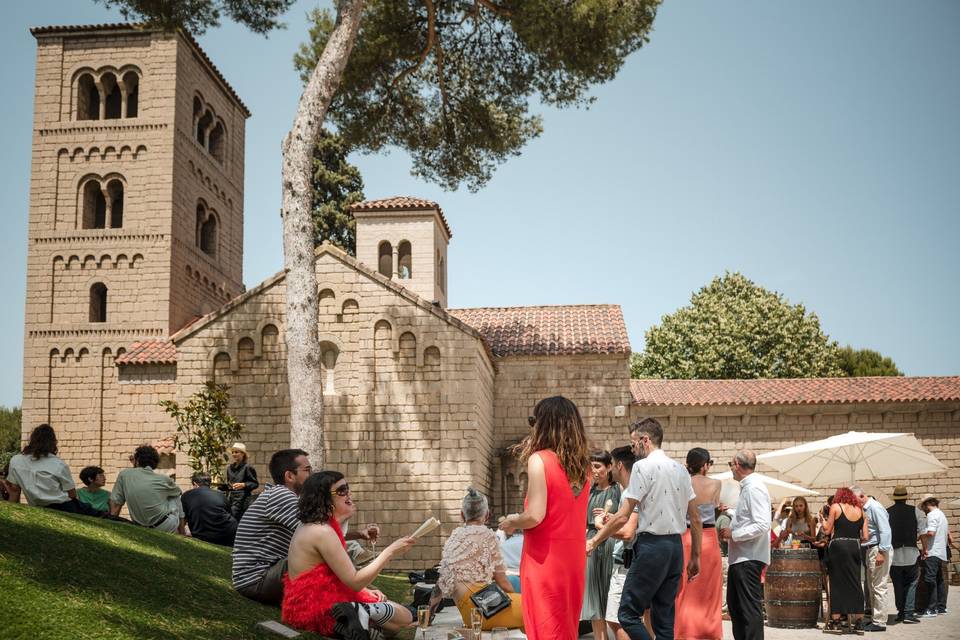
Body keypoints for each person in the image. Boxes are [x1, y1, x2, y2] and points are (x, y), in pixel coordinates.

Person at [588, 418, 702, 640]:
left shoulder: (642, 467)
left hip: (652, 547)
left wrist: (594, 541)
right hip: (675, 548)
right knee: (664, 621)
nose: (633, 449)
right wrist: (695, 556)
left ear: (645, 440)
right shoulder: (680, 470)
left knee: (627, 614)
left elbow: (623, 516)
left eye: (634, 443)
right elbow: (696, 519)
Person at [232, 448, 380, 605]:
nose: (312, 475)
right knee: (322, 556)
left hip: (264, 576)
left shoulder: (282, 495)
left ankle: (365, 597)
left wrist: (358, 534)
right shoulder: (281, 496)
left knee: (326, 554)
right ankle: (365, 598)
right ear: (289, 476)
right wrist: (342, 515)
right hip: (256, 580)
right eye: (307, 470)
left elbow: (320, 533)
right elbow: (318, 535)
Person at [498, 396, 591, 640]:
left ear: (544, 424)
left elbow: (535, 516)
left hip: (545, 559)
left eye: (533, 421)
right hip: (573, 560)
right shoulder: (584, 467)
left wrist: (511, 521)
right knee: (566, 628)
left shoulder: (540, 459)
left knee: (545, 626)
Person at [282, 471, 415, 638]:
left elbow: (334, 574)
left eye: (347, 489)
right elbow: (354, 581)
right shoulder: (323, 532)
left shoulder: (316, 526)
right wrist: (390, 552)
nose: (349, 494)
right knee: (404, 616)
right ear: (324, 498)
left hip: (307, 607)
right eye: (342, 490)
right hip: (319, 611)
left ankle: (362, 621)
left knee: (393, 628)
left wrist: (366, 591)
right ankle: (361, 612)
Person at [438, 487, 523, 630]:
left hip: (467, 612)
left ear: (461, 515)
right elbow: (503, 583)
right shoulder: (487, 535)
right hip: (484, 609)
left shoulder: (453, 538)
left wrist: (429, 613)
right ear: (487, 515)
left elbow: (439, 583)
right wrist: (515, 599)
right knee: (538, 609)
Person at [718, 450, 770, 640]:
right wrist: (732, 511)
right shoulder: (748, 487)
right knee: (737, 607)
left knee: (748, 609)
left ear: (738, 465)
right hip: (742, 557)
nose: (730, 468)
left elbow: (763, 524)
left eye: (731, 464)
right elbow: (749, 517)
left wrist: (734, 534)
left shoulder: (754, 487)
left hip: (749, 557)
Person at [674, 447, 722, 640]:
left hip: (685, 537)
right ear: (705, 465)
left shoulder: (682, 482)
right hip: (708, 537)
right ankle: (709, 631)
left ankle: (685, 632)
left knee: (684, 587)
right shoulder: (716, 483)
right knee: (709, 588)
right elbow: (716, 506)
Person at [5, 424, 104, 517]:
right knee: (96, 514)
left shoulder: (16, 461)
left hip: (38, 505)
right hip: (64, 506)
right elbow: (72, 494)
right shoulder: (58, 464)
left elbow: (14, 491)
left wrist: (12, 512)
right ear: (53, 442)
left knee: (92, 511)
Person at [581, 449, 621, 639]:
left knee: (611, 602)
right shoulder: (587, 491)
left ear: (609, 467)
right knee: (595, 604)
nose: (594, 471)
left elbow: (626, 518)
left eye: (597, 466)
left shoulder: (618, 489)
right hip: (590, 544)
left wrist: (611, 518)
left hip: (611, 543)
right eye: (591, 467)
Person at [602, 445, 639, 640]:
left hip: (626, 563)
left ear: (619, 465)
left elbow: (627, 533)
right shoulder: (630, 490)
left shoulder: (630, 492)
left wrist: (603, 529)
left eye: (611, 465)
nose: (610, 470)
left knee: (617, 619)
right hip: (631, 561)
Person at [821, 487, 868, 632]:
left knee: (837, 582)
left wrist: (822, 521)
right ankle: (859, 622)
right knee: (855, 582)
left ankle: (836, 623)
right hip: (855, 546)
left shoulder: (836, 506)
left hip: (838, 546)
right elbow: (865, 536)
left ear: (839, 496)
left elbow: (827, 530)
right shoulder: (861, 511)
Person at [110, 445, 185, 532]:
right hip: (165, 526)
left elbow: (116, 502)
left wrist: (113, 521)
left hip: (140, 526)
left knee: (173, 494)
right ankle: (182, 532)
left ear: (137, 461)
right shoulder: (164, 479)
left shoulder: (124, 475)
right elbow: (179, 492)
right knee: (174, 495)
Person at [851, 485, 892, 632]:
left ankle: (880, 622)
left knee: (879, 586)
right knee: (872, 586)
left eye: (854, 500)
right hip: (870, 549)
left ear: (861, 496)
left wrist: (882, 551)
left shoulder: (875, 507)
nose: (853, 504)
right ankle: (875, 618)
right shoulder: (865, 509)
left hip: (878, 548)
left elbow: (885, 530)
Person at [887, 485, 921, 624]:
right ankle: (908, 613)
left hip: (894, 554)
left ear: (894, 498)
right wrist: (924, 548)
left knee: (898, 584)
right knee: (912, 583)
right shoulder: (916, 511)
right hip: (911, 552)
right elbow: (923, 531)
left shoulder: (887, 512)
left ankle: (901, 612)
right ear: (906, 497)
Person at [182, 471, 238, 547]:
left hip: (204, 536)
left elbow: (182, 520)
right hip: (229, 533)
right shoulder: (221, 495)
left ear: (195, 484)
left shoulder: (186, 496)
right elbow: (230, 514)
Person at [919, 494, 948, 617]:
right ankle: (941, 607)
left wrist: (920, 534)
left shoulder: (931, 515)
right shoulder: (942, 514)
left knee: (930, 579)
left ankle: (931, 608)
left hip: (932, 551)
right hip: (941, 551)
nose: (923, 510)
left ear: (927, 504)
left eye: (923, 507)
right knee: (939, 580)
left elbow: (931, 533)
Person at [225, 442, 259, 521]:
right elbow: (229, 483)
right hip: (230, 499)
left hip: (242, 500)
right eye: (233, 452)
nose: (234, 454)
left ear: (243, 454)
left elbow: (255, 484)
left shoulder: (248, 467)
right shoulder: (229, 468)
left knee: (233, 519)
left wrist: (244, 485)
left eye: (236, 452)